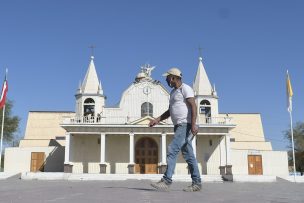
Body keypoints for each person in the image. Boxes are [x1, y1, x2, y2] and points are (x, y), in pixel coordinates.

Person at [149, 67, 202, 192]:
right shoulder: (173, 93)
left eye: (167, 78)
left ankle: (166, 180)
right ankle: (197, 183)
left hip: (185, 124)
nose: (167, 80)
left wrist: (194, 124)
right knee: (189, 155)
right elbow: (170, 111)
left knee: (172, 149)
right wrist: (157, 120)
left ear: (173, 77)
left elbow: (193, 106)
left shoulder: (185, 89)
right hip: (178, 126)